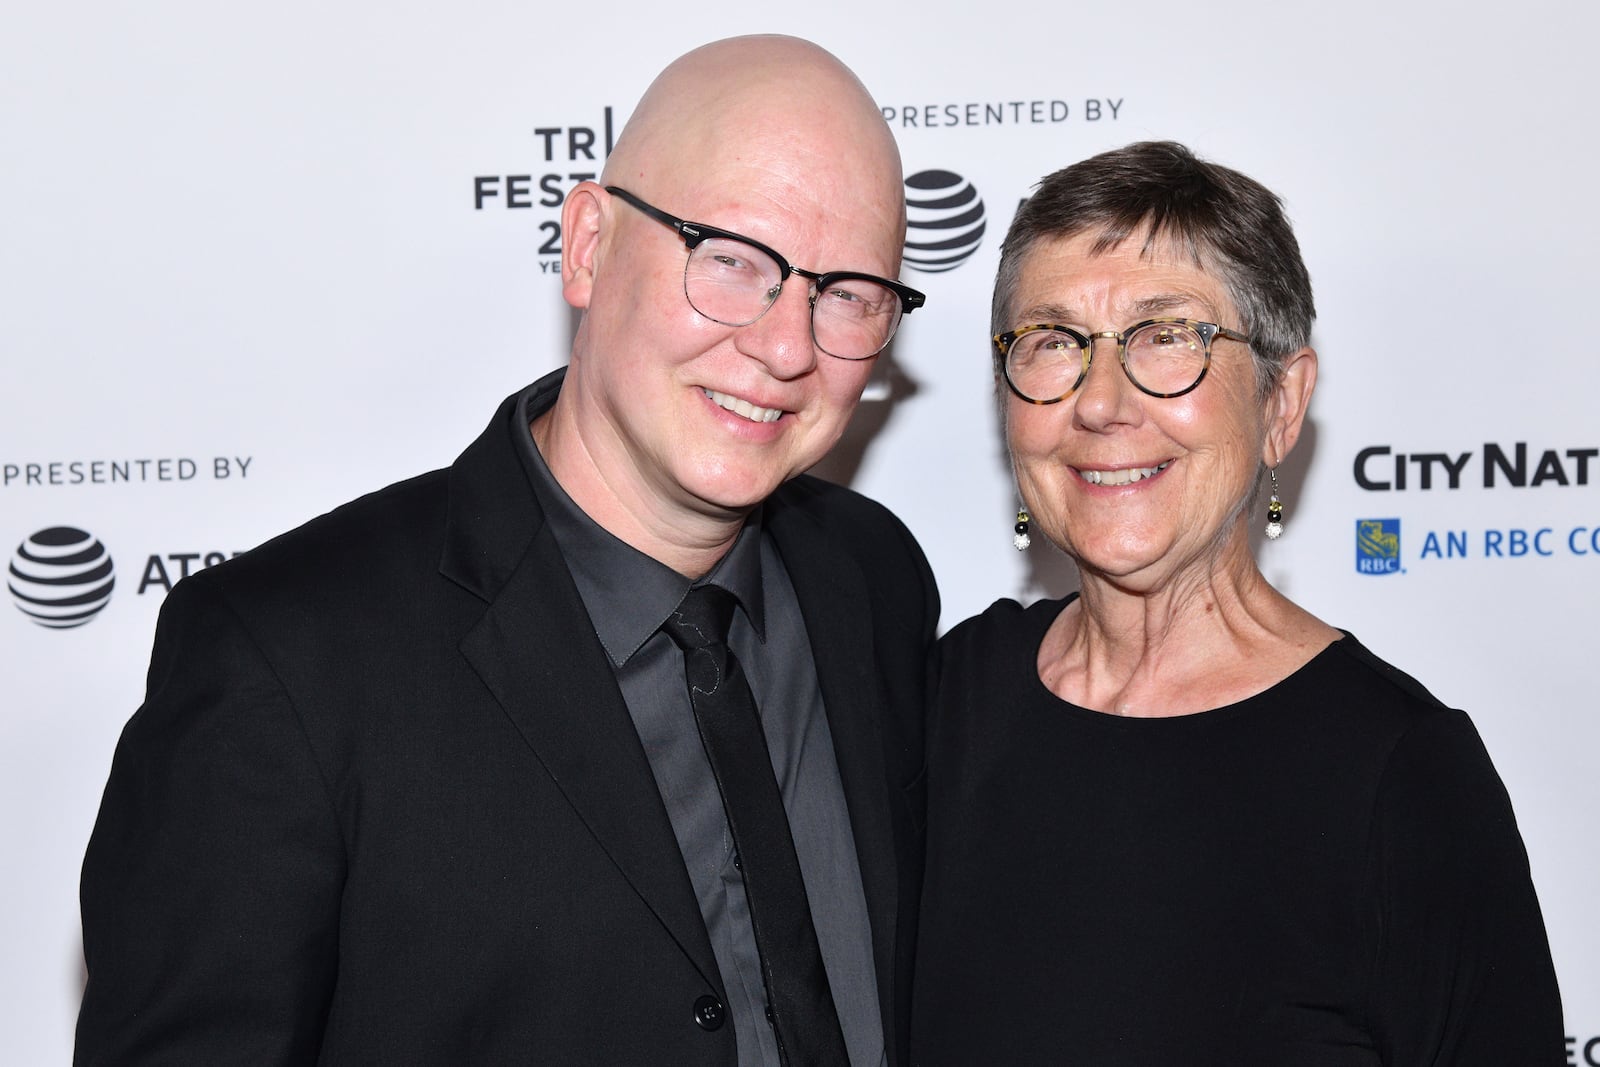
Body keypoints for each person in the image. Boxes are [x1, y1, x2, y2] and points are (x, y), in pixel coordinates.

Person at [77, 35, 937, 1066]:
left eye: (847, 292)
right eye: (732, 260)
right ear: (587, 245)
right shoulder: (284, 662)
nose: (787, 345)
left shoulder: (872, 578)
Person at [910, 141, 1563, 1065]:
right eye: (1054, 341)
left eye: (1166, 336)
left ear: (1282, 402)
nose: (1101, 403)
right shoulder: (938, 706)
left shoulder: (1402, 774)